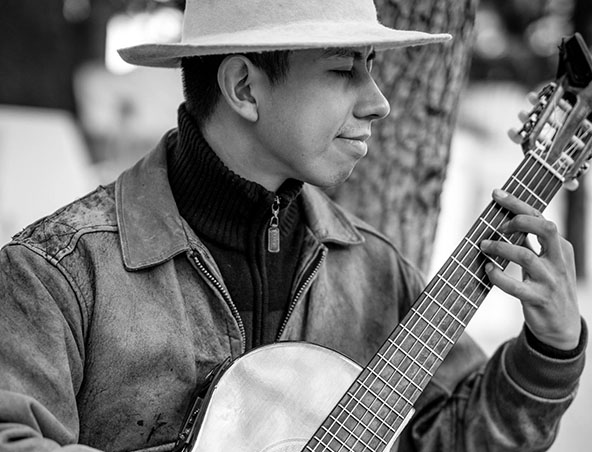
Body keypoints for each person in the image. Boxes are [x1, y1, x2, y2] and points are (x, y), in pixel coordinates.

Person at [0, 0, 586, 451]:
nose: (378, 101)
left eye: (371, 67)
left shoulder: (374, 273)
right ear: (244, 88)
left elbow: (452, 440)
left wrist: (549, 352)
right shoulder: (56, 275)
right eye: (342, 70)